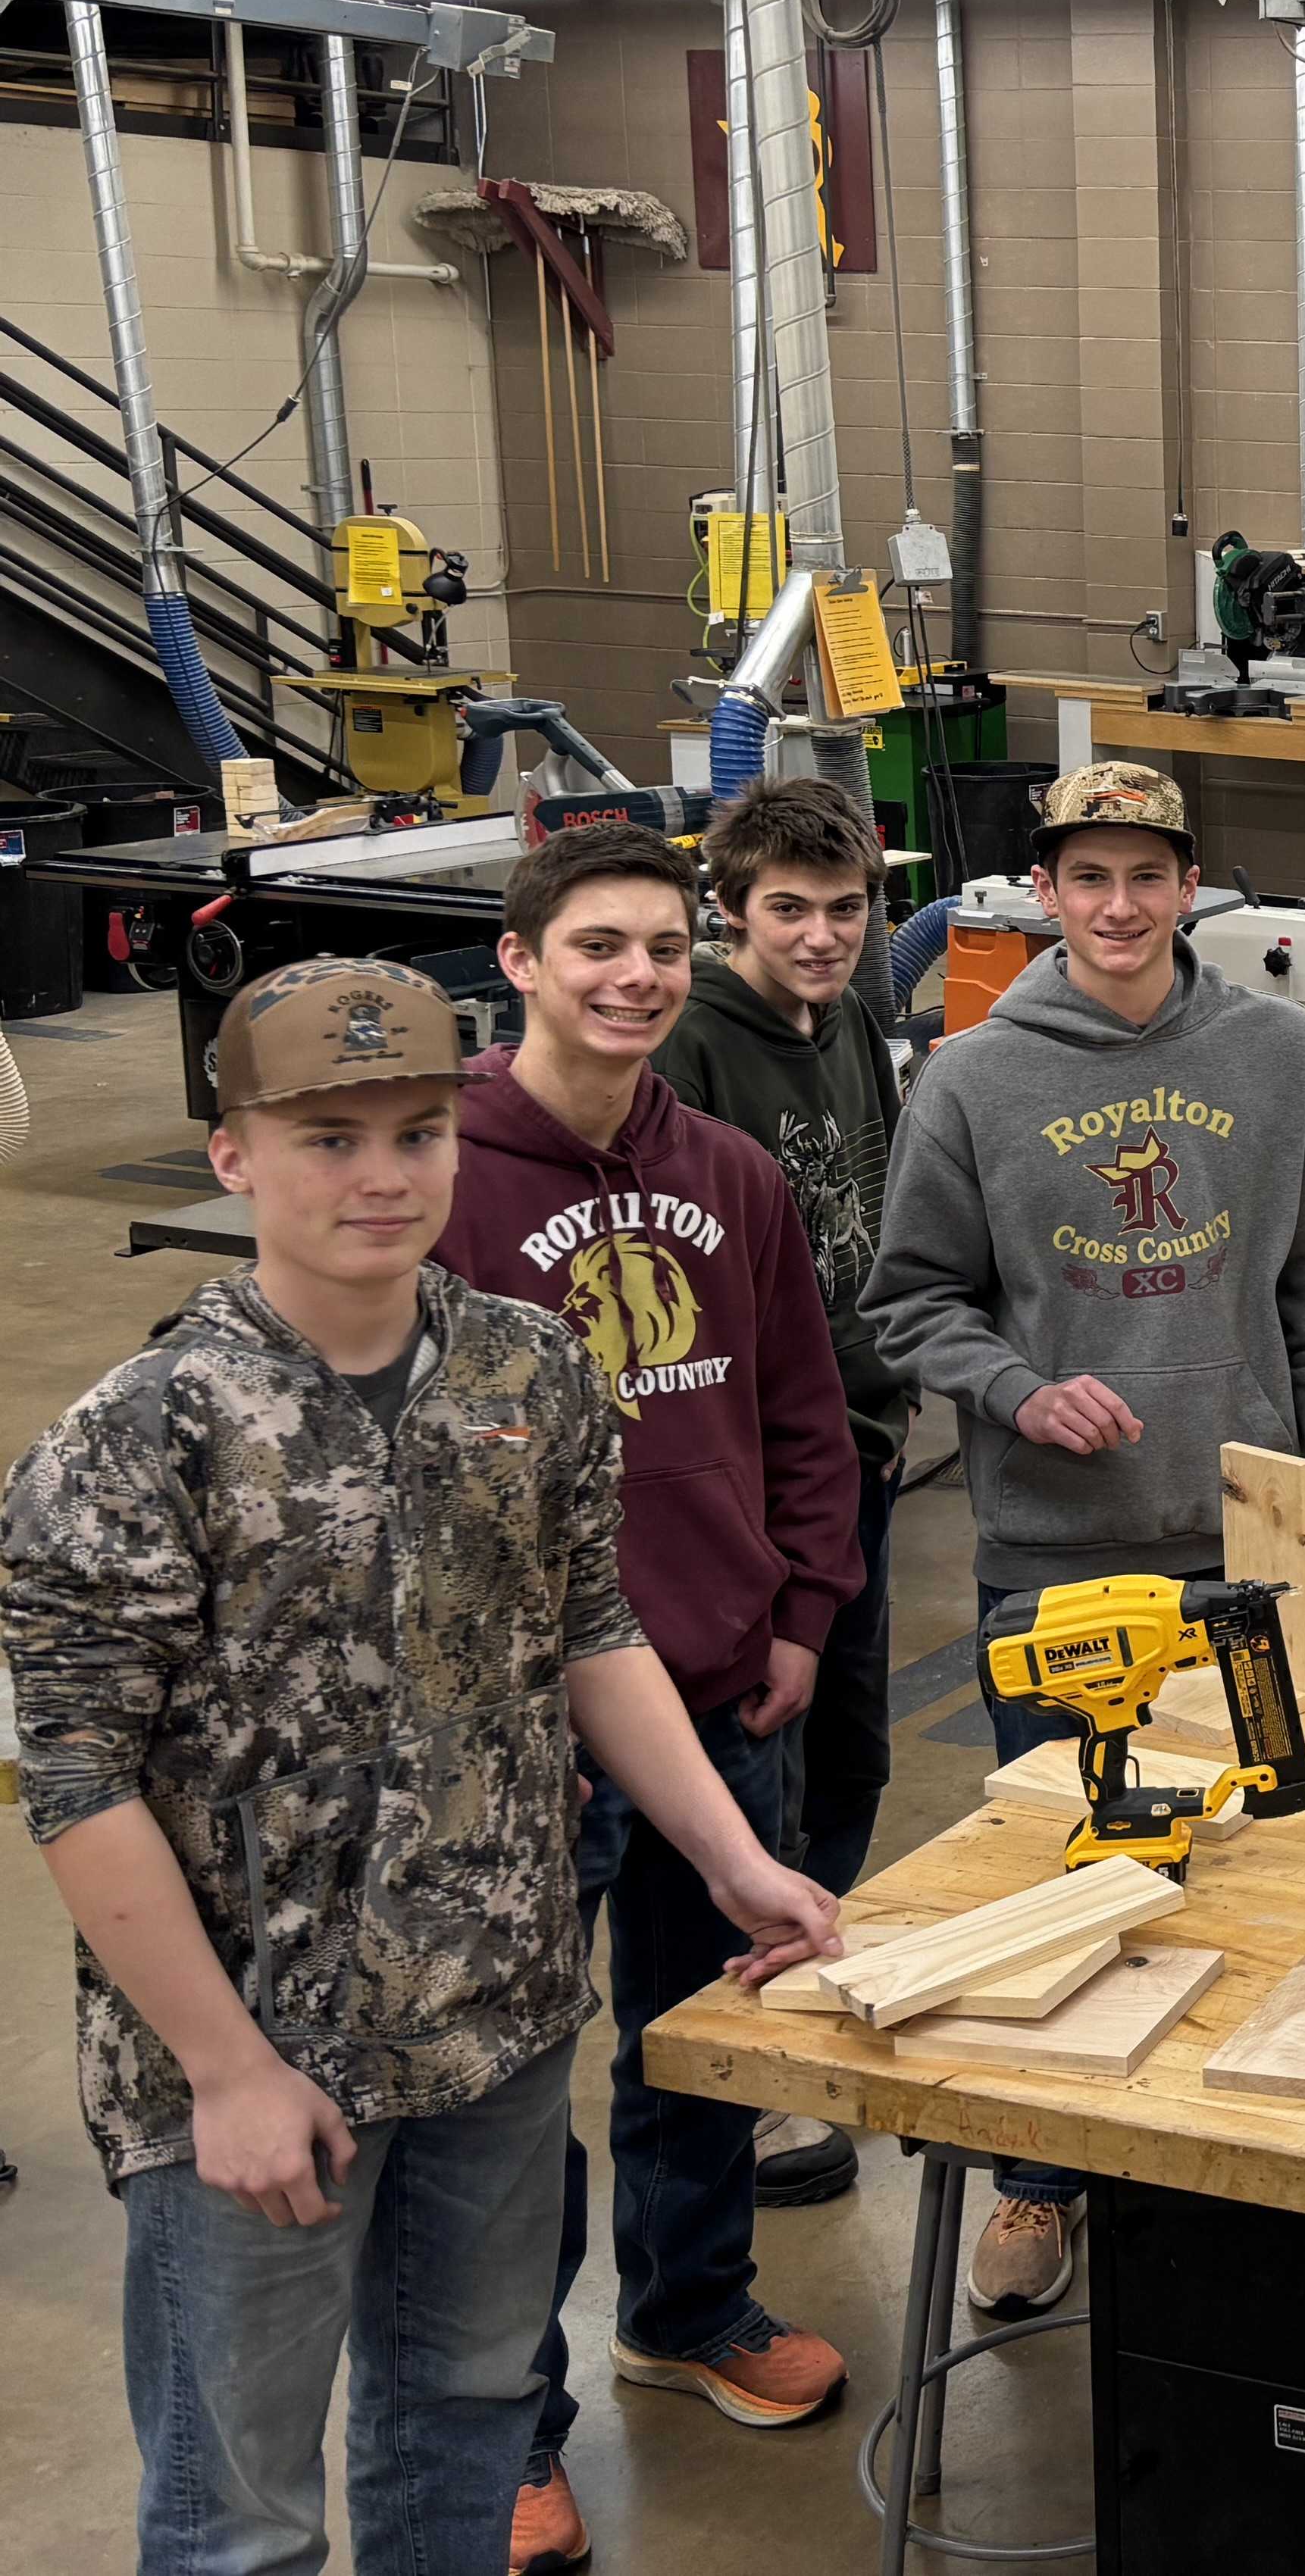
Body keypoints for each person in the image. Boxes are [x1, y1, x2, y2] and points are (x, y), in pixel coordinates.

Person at [2, 958, 837, 2576]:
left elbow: (593, 1632)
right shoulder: (140, 1435)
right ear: (233, 1153)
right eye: (327, 1139)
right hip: (253, 2062)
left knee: (461, 2424)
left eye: (414, 1131)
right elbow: (79, 1780)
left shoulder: (531, 1370)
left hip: (498, 2025)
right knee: (238, 2507)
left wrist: (733, 1857)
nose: (381, 1177)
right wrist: (227, 2071)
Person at [863, 759, 1305, 2315]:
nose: (1115, 906)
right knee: (1069, 1868)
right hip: (1059, 1548)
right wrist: (1017, 1393)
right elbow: (908, 1303)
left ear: (1191, 887)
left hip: (1245, 1538)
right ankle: (1040, 2185)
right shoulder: (970, 1078)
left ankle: (1242, 2165)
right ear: (1042, 892)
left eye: (1144, 876)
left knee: (1255, 1862)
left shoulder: (1276, 1050)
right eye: (1085, 878)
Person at [435, 821, 868, 2569]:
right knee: (514, 2101)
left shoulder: (733, 1175)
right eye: (597, 946)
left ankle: (689, 2315)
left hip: (719, 1691)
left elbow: (799, 1412)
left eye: (664, 949)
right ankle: (507, 2432)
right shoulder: (446, 1180)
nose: (637, 977)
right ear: (522, 965)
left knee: (705, 2048)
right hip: (524, 1725)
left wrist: (802, 1615)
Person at [649, 774, 914, 2214]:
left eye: (845, 907)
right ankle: (742, 2070)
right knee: (762, 1769)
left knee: (855, 1756)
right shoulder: (688, 1044)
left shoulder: (857, 1021)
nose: (821, 936)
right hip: (750, 1477)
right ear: (732, 908)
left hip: (856, 1446)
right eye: (789, 910)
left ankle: (806, 1986)